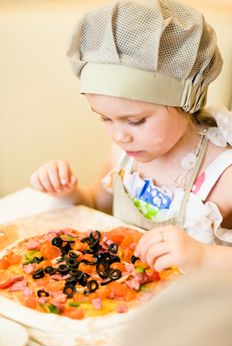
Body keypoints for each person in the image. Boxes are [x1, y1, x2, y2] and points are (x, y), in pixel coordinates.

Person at [31, 0, 232, 272]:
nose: (119, 136)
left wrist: (202, 256)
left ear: (186, 103)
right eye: (105, 118)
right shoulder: (124, 156)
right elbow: (96, 205)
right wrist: (69, 192)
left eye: (136, 121)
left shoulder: (223, 175)